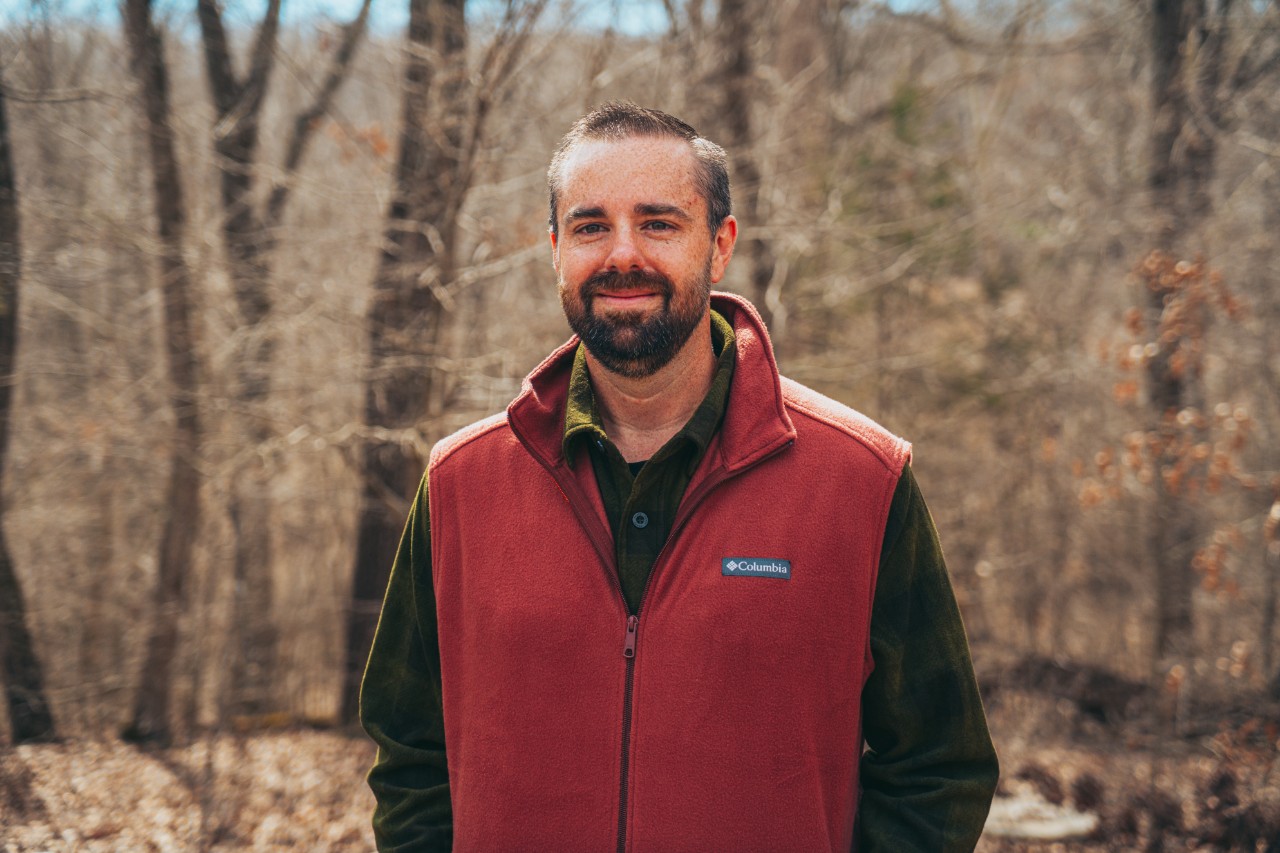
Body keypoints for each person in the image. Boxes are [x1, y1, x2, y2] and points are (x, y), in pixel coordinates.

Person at [359, 102, 999, 852]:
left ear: (719, 246)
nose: (622, 254)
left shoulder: (862, 480)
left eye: (659, 223)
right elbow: (409, 755)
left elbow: (939, 766)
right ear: (555, 249)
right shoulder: (461, 485)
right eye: (591, 226)